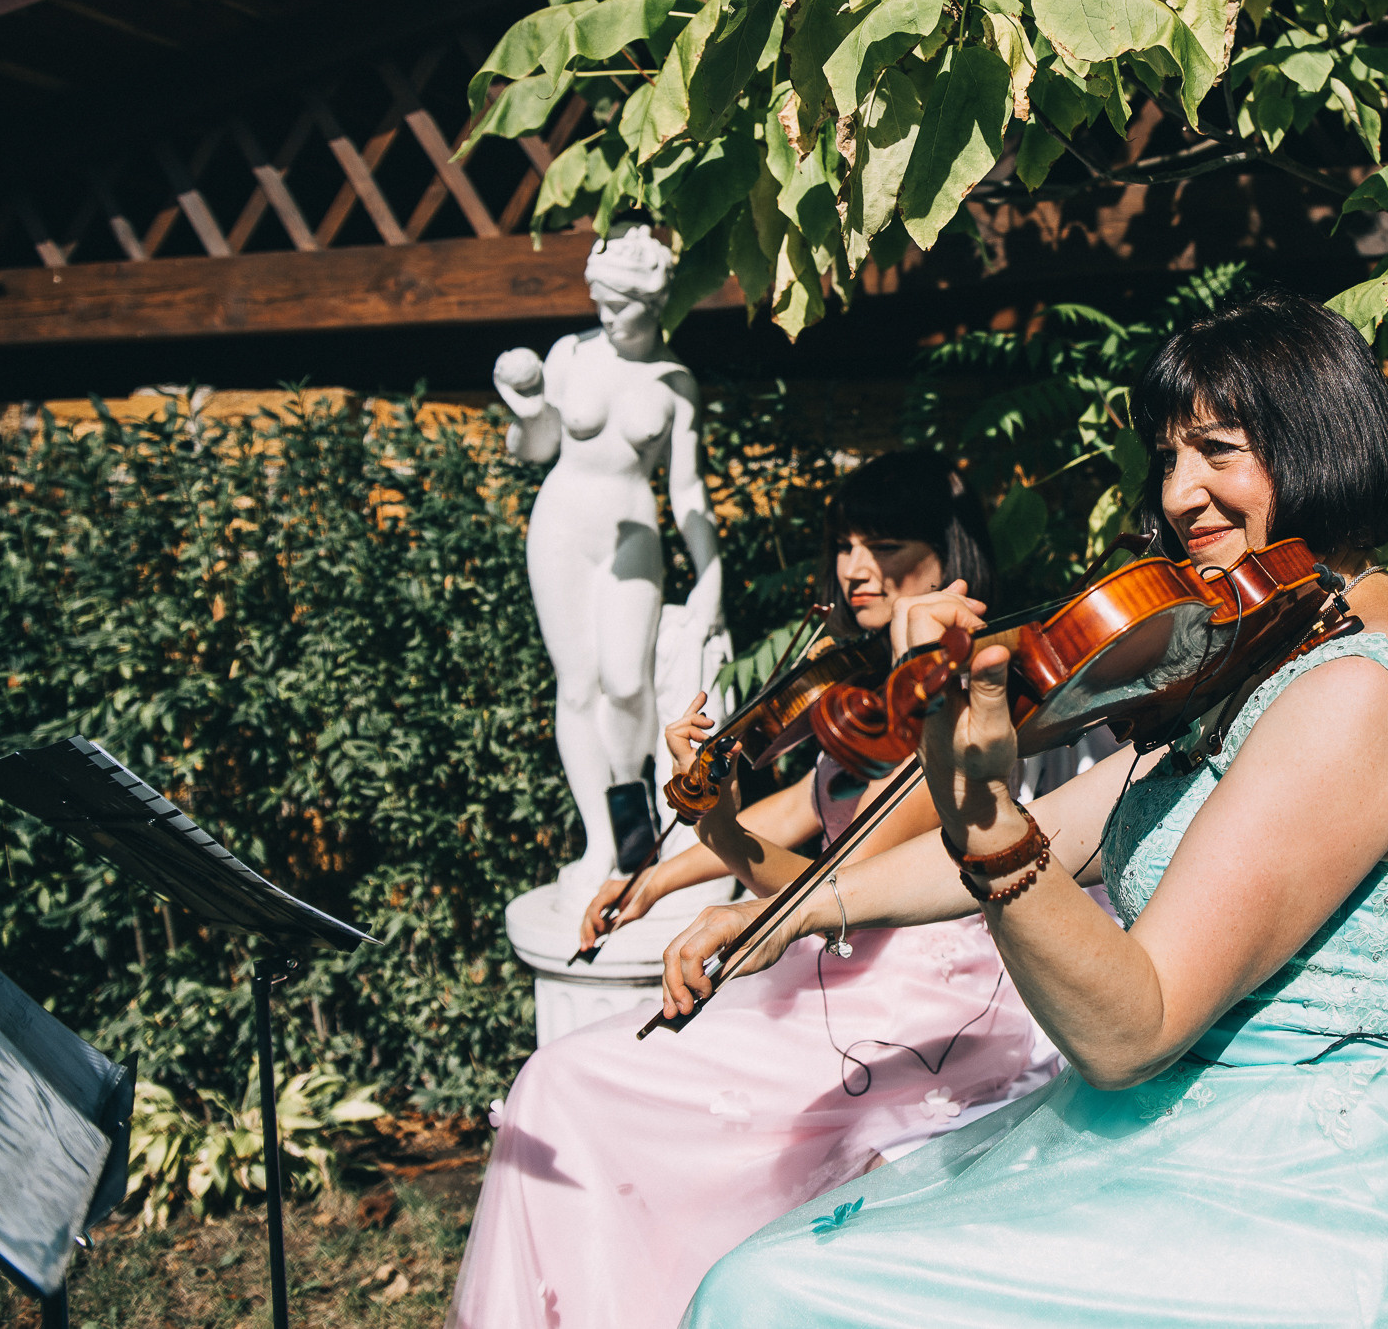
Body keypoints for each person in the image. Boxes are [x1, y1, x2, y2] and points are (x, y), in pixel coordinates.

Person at [667, 293, 1388, 1327]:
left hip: (1300, 1186)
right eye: (1167, 459)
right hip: (1195, 1133)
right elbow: (1076, 827)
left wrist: (985, 811)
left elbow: (1133, 1028)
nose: (1178, 494)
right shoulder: (1274, 641)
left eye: (1216, 451)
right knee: (781, 1271)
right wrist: (801, 906)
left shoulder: (1353, 692)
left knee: (769, 1295)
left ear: (1323, 442)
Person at [449, 453, 1098, 1329]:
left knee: (568, 1083)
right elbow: (807, 807)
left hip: (923, 1004)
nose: (853, 567)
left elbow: (830, 887)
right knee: (565, 1079)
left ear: (946, 563)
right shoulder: (869, 688)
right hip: (840, 974)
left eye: (884, 545)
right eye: (845, 544)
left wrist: (719, 830)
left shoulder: (958, 706)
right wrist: (652, 875)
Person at [491, 227, 720, 909]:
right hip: (562, 524)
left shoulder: (676, 384)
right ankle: (605, 843)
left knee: (627, 683)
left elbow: (688, 491)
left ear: (655, 303)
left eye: (622, 305)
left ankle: (636, 826)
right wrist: (528, 405)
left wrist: (710, 576)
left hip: (632, 533)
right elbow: (534, 448)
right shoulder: (569, 354)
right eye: (602, 302)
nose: (607, 317)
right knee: (579, 683)